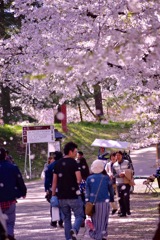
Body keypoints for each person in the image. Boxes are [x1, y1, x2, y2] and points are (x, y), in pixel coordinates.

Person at [52, 142, 84, 240]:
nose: (76, 153)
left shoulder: (57, 164)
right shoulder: (74, 163)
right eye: (75, 151)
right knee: (80, 215)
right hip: (74, 195)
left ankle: (68, 238)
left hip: (62, 196)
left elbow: (54, 182)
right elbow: (79, 179)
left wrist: (53, 195)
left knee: (66, 219)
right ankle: (74, 230)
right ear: (70, 152)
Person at [0, 147, 27, 240]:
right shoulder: (12, 167)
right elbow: (20, 181)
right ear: (5, 156)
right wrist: (23, 192)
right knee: (10, 223)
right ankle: (10, 234)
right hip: (10, 200)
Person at [85, 159, 114, 240]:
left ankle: (97, 235)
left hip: (92, 204)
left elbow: (87, 193)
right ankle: (100, 237)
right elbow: (111, 190)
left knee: (96, 223)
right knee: (103, 222)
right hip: (104, 202)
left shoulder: (89, 178)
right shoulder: (105, 178)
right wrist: (112, 199)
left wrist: (87, 203)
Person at [44, 151, 64, 228]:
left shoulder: (50, 166)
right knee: (62, 204)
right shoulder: (63, 165)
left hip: (53, 188)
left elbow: (47, 179)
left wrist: (47, 189)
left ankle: (54, 220)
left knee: (54, 204)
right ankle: (61, 220)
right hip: (63, 187)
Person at [113, 151, 133, 217]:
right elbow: (114, 174)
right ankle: (122, 212)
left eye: (119, 155)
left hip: (126, 182)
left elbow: (131, 171)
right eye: (116, 155)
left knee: (126, 197)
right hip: (118, 183)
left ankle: (128, 210)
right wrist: (119, 175)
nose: (117, 157)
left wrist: (125, 174)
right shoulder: (114, 165)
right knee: (120, 198)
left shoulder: (127, 162)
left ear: (121, 156)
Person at [76, 151, 90, 227]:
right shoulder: (84, 164)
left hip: (79, 186)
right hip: (84, 186)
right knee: (84, 202)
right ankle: (84, 217)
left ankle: (81, 219)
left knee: (80, 203)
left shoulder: (77, 164)